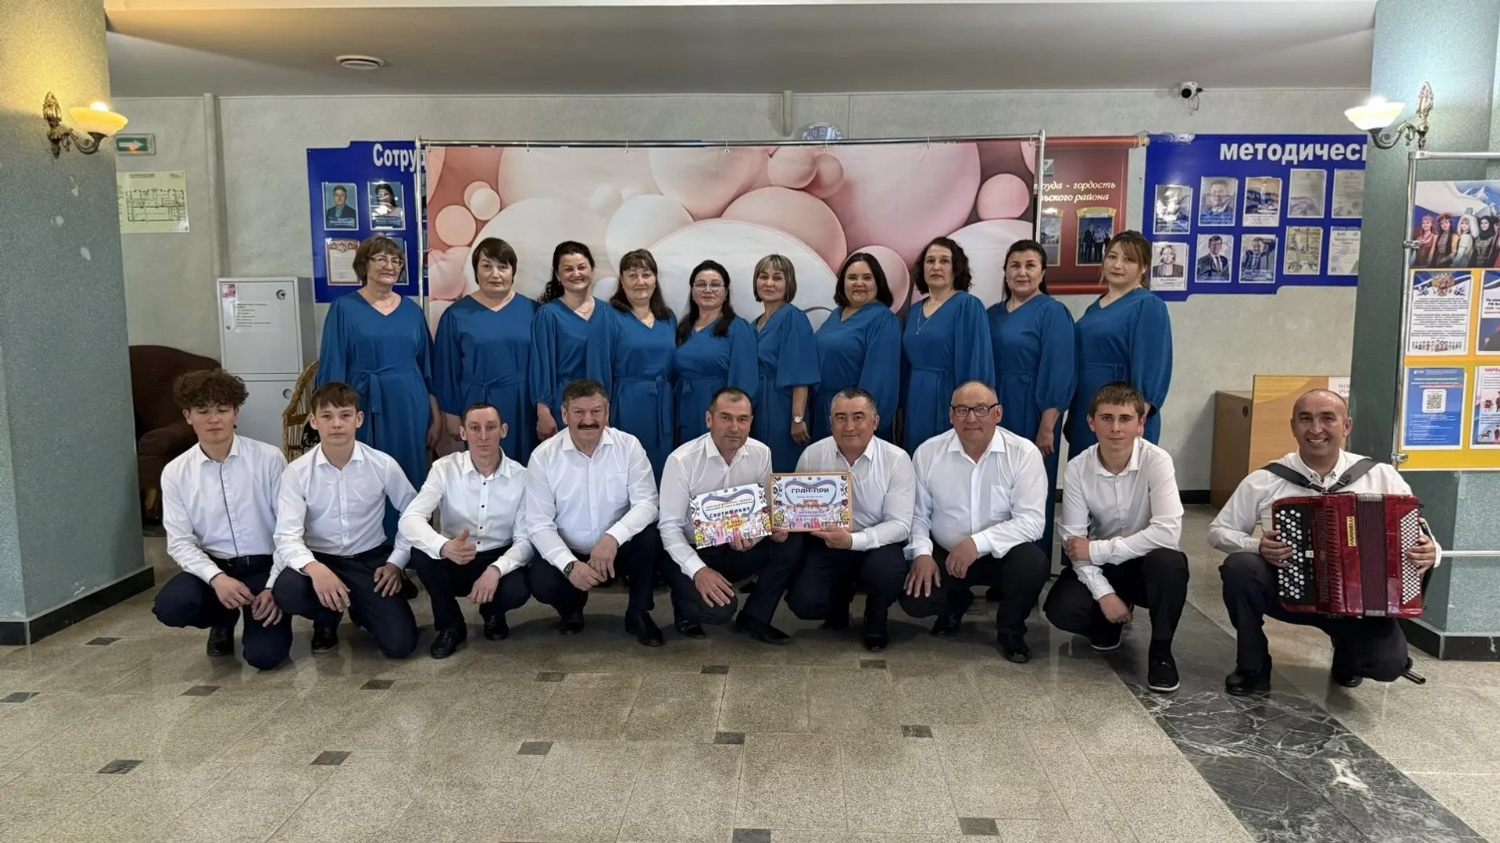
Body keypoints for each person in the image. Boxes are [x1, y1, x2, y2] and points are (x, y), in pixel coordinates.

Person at [1209, 389, 1441, 694]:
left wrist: (1431, 552)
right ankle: (1252, 665)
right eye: (1305, 419)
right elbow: (1219, 531)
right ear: (1293, 426)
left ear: (1346, 426)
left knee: (1387, 666)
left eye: (1327, 419)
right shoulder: (1266, 480)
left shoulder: (1382, 476)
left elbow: (1422, 536)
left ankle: (1347, 657)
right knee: (1240, 567)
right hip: (1288, 594)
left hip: (1361, 605)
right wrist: (1258, 546)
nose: (1315, 429)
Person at [1043, 383, 1189, 694]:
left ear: (1140, 424)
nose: (1116, 428)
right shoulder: (1078, 468)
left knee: (1170, 564)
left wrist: (1097, 550)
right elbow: (1073, 541)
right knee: (1060, 609)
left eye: (1125, 419)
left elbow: (1167, 532)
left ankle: (1161, 653)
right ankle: (1107, 624)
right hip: (1105, 567)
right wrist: (1104, 594)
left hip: (1146, 564)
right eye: (1106, 418)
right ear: (1091, 422)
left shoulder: (1157, 461)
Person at [152, 369, 292, 669]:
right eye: (203, 411)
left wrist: (273, 586)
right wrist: (216, 578)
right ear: (188, 416)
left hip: (265, 566)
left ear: (235, 413)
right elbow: (180, 543)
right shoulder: (176, 472)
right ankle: (222, 618)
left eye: (222, 410)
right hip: (215, 567)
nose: (214, 419)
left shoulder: (269, 459)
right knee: (171, 606)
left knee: (264, 657)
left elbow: (288, 529)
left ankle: (273, 609)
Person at [901, 382, 1051, 663]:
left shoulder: (1023, 453)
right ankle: (954, 605)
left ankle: (1011, 630)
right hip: (947, 553)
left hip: (1002, 554)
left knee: (1033, 565)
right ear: (951, 416)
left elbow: (1031, 522)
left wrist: (977, 543)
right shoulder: (928, 452)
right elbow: (918, 515)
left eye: (981, 409)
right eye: (962, 410)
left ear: (998, 413)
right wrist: (921, 553)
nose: (971, 418)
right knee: (915, 600)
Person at [271, 383, 420, 659]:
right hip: (320, 559)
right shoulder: (297, 472)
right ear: (314, 421)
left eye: (345, 415)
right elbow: (286, 536)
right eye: (327, 416)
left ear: (358, 419)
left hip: (368, 561)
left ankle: (361, 607)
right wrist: (315, 569)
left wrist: (395, 562)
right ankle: (326, 617)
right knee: (289, 591)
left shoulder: (382, 464)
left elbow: (414, 515)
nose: (336, 424)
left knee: (400, 645)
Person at [521, 379, 666, 646]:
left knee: (650, 539)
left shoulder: (629, 446)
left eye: (596, 411)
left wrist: (613, 537)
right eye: (579, 412)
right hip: (570, 548)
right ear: (564, 414)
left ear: (607, 413)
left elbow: (647, 503)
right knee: (541, 580)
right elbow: (539, 525)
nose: (588, 420)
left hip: (616, 548)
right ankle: (571, 608)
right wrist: (570, 565)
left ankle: (638, 613)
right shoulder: (543, 457)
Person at [658, 388, 798, 644]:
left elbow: (765, 510)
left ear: (751, 422)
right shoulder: (682, 460)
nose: (734, 427)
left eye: (742, 419)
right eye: (726, 418)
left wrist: (763, 533)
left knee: (791, 542)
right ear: (709, 420)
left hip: (738, 546)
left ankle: (755, 618)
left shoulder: (761, 453)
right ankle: (685, 608)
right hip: (694, 550)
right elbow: (668, 528)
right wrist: (699, 571)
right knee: (719, 611)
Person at [398, 403, 533, 659]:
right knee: (421, 553)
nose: (483, 436)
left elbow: (525, 540)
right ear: (463, 433)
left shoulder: (522, 477)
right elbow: (410, 519)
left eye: (490, 427)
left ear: (503, 430)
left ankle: (493, 613)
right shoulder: (444, 469)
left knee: (520, 587)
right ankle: (450, 626)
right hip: (455, 554)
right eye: (474, 428)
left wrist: (495, 570)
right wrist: (444, 546)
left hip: (497, 555)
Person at [785, 388, 915, 652]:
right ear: (830, 422)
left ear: (875, 422)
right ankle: (838, 603)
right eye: (841, 418)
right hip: (828, 544)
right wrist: (784, 525)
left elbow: (900, 525)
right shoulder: (812, 455)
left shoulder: (896, 459)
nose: (849, 426)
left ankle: (876, 616)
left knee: (886, 574)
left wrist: (853, 541)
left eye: (858, 417)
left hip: (876, 545)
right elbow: (795, 511)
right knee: (804, 603)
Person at [317, 235, 439, 503]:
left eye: (396, 261)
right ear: (364, 264)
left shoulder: (413, 311)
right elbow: (332, 363)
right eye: (381, 259)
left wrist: (436, 415)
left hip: (409, 405)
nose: (390, 266)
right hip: (361, 403)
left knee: (409, 472)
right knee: (363, 473)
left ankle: (410, 527)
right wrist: (332, 414)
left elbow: (427, 367)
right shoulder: (344, 308)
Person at [986, 240, 1075, 561]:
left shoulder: (1052, 312)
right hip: (994, 409)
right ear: (1005, 272)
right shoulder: (992, 314)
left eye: (1030, 266)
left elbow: (1059, 369)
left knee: (1031, 487)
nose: (1022, 272)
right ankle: (995, 559)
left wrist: (1047, 426)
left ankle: (1031, 562)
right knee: (996, 485)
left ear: (1042, 273)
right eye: (1015, 266)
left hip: (1033, 409)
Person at [1065, 231, 1172, 454]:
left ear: (1143, 267)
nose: (1117, 265)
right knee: (1086, 471)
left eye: (1128, 259)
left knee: (1119, 473)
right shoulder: (1095, 307)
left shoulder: (1148, 305)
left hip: (1120, 415)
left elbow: (1152, 369)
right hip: (1088, 407)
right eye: (1112, 257)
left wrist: (1133, 420)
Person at [433, 237, 538, 464]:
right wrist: (451, 413)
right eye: (487, 266)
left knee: (523, 465)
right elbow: (446, 368)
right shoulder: (456, 315)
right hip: (476, 402)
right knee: (482, 465)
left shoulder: (533, 311)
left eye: (502, 267)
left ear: (513, 271)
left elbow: (544, 364)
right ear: (476, 271)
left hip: (522, 404)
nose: (495, 274)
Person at [587, 248, 678, 478]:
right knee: (630, 468)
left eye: (646, 274)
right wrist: (600, 411)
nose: (640, 281)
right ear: (622, 281)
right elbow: (598, 367)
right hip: (628, 403)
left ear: (655, 280)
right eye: (632, 275)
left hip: (664, 404)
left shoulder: (668, 318)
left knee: (663, 468)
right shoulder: (608, 316)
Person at [901, 237, 995, 455]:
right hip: (916, 397)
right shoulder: (914, 311)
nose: (936, 267)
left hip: (949, 396)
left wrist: (970, 410)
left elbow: (976, 362)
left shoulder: (968, 306)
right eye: (930, 261)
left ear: (956, 268)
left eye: (944, 261)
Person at [812, 253, 901, 443]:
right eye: (852, 277)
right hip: (824, 412)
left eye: (867, 278)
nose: (859, 283)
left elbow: (880, 379)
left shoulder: (883, 319)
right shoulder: (836, 315)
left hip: (853, 420)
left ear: (878, 283)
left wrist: (858, 419)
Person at [674, 259, 757, 448]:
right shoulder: (683, 328)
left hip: (719, 411)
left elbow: (744, 380)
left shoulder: (738, 328)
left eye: (715, 285)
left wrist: (732, 419)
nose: (708, 290)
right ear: (692, 291)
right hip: (684, 408)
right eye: (701, 284)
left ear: (726, 293)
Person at [751, 254, 820, 472]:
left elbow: (801, 372)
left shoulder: (793, 317)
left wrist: (797, 418)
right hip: (757, 405)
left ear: (788, 283)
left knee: (782, 468)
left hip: (783, 407)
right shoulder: (754, 324)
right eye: (763, 277)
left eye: (777, 278)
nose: (769, 283)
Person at [531, 241, 603, 443]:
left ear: (592, 270)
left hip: (600, 405)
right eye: (568, 269)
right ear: (557, 275)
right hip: (564, 404)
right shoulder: (548, 315)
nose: (576, 273)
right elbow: (541, 365)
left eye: (581, 267)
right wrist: (543, 411)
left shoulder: (608, 313)